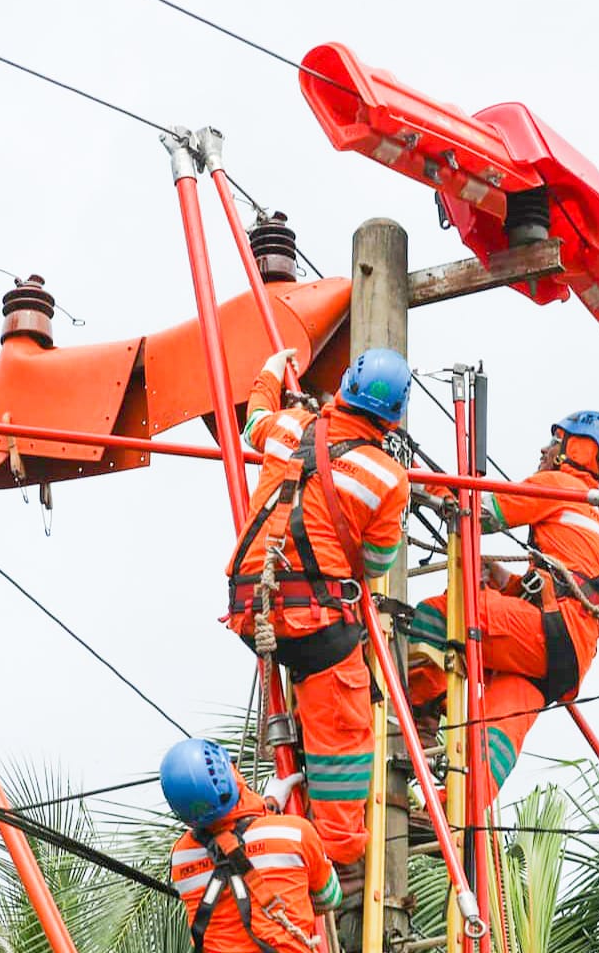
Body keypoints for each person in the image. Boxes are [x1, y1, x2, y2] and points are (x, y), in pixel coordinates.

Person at [226, 347, 411, 868]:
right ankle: (335, 854)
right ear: (394, 416)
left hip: (250, 606)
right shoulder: (388, 478)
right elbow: (375, 562)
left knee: (318, 675)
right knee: (345, 725)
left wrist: (268, 369)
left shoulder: (288, 427)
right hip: (314, 623)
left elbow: (254, 421)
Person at [407, 410, 599, 800]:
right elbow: (567, 586)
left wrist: (411, 476)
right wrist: (506, 581)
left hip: (550, 631)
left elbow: (476, 509)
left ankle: (418, 721)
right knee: (497, 725)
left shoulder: (559, 486)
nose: (544, 449)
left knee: (438, 614)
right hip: (568, 659)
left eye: (556, 441)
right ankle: (453, 809)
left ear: (577, 448)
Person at [163, 738, 342, 952]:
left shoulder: (180, 858)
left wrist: (269, 807)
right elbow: (329, 898)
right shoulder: (295, 833)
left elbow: (231, 840)